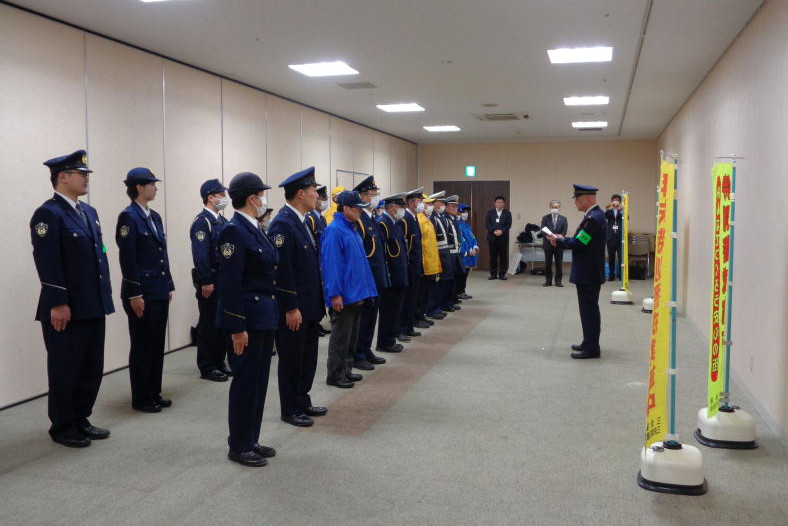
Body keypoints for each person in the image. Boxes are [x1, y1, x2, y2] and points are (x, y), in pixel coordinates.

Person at [30, 149, 114, 448]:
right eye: (81, 174)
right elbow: (47, 261)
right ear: (62, 177)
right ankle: (63, 425)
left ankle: (81, 418)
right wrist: (58, 303)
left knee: (91, 367)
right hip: (66, 308)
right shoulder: (48, 214)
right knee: (66, 368)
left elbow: (98, 257)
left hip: (92, 304)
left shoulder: (88, 213)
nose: (86, 178)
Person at [216, 171, 278, 467]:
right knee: (245, 383)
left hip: (263, 317)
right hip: (247, 322)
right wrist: (237, 327)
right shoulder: (234, 231)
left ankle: (251, 438)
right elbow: (229, 284)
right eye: (262, 194)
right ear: (252, 198)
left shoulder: (254, 227)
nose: (264, 199)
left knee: (258, 382)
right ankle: (238, 445)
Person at [268, 167, 327, 427]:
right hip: (295, 308)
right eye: (314, 191)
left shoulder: (302, 221)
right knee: (292, 359)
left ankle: (302, 400)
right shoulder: (282, 223)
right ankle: (290, 408)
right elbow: (282, 270)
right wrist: (290, 307)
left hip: (310, 305)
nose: (317, 195)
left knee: (308, 357)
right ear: (300, 193)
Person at [116, 167, 174, 413]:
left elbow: (162, 254)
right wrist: (134, 294)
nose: (155, 187)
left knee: (156, 344)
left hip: (158, 289)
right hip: (142, 291)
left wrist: (168, 284)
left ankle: (154, 391)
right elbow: (127, 258)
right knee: (142, 345)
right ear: (139, 187)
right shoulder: (128, 217)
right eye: (151, 184)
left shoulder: (155, 216)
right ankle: (141, 396)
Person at [322, 191, 377, 388]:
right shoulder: (335, 230)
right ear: (345, 208)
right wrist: (334, 294)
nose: (361, 212)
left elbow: (360, 262)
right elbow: (332, 265)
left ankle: (346, 369)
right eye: (357, 208)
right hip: (344, 295)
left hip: (357, 293)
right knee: (341, 337)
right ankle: (335, 375)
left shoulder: (352, 228)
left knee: (352, 336)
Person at [548, 184, 606, 359]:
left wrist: (559, 241)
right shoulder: (594, 216)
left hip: (588, 272)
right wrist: (563, 239)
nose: (575, 203)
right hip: (590, 271)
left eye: (577, 199)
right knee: (588, 309)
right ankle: (588, 342)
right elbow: (581, 240)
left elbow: (580, 243)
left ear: (587, 199)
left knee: (589, 311)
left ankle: (592, 348)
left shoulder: (593, 218)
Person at [190, 178, 232, 382]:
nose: (225, 198)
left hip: (223, 279)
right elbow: (201, 255)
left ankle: (219, 361)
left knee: (222, 324)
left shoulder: (222, 221)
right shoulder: (202, 222)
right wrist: (206, 280)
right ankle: (207, 366)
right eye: (221, 195)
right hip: (211, 280)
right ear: (211, 197)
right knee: (209, 324)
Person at [352, 176, 389, 370]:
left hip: (376, 277)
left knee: (371, 316)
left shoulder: (371, 216)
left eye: (376, 194)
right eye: (372, 194)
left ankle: (366, 349)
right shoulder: (360, 219)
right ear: (363, 196)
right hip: (367, 278)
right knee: (364, 317)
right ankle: (358, 353)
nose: (375, 198)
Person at [375, 192, 409, 352]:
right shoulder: (383, 224)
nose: (402, 210)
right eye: (400, 207)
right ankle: (385, 341)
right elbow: (385, 254)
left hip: (400, 274)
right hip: (391, 276)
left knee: (396, 309)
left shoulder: (395, 223)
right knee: (389, 310)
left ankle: (391, 337)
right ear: (391, 208)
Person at [396, 187, 425, 340]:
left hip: (415, 265)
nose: (421, 204)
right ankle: (401, 329)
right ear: (412, 203)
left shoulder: (414, 218)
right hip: (408, 266)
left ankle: (408, 326)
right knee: (406, 300)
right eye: (420, 201)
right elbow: (405, 245)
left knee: (412, 298)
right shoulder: (405, 219)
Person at [416, 194, 442, 325]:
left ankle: (422, 316)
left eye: (432, 204)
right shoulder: (420, 220)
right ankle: (419, 317)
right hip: (424, 263)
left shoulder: (427, 220)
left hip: (431, 262)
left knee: (426, 292)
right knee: (421, 293)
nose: (430, 207)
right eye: (428, 204)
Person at [426, 191, 451, 320]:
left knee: (441, 283)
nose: (442, 205)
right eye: (440, 202)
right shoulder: (432, 218)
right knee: (435, 284)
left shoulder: (439, 217)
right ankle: (432, 308)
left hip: (442, 253)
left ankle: (437, 307)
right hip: (437, 254)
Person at [443, 196, 464, 311]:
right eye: (452, 206)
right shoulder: (445, 218)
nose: (455, 208)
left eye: (456, 206)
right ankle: (446, 303)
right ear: (446, 207)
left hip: (456, 253)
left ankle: (451, 301)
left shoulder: (454, 218)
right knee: (448, 280)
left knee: (455, 279)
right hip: (449, 253)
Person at [540, 199, 568, 287]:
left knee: (559, 263)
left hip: (559, 244)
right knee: (548, 263)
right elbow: (543, 230)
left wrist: (557, 238)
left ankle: (558, 281)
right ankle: (548, 281)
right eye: (553, 207)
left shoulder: (564, 219)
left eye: (556, 207)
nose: (554, 209)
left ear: (559, 207)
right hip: (548, 244)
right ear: (550, 207)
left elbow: (564, 231)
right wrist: (549, 237)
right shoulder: (545, 218)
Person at [485, 196, 512, 280]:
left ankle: (502, 274)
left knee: (503, 257)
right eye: (498, 202)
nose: (499, 203)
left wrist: (501, 231)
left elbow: (508, 224)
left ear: (504, 203)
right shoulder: (490, 213)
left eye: (501, 202)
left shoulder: (507, 213)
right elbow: (487, 224)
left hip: (503, 238)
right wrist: (494, 231)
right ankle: (493, 274)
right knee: (493, 257)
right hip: (492, 238)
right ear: (495, 203)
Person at [456, 204, 478, 299]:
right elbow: (461, 240)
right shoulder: (458, 225)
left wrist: (475, 247)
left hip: (470, 254)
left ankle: (462, 291)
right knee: (461, 275)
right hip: (464, 255)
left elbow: (473, 238)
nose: (466, 214)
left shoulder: (467, 225)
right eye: (463, 212)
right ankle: (459, 292)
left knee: (465, 275)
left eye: (467, 212)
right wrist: (468, 251)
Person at [605, 194, 623, 281]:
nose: (616, 201)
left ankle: (621, 275)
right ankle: (611, 275)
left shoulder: (622, 211)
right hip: (610, 237)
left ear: (620, 201)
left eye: (617, 200)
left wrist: (621, 210)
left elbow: (626, 218)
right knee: (611, 257)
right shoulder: (609, 211)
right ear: (612, 201)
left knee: (620, 257)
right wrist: (607, 208)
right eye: (614, 200)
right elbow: (604, 216)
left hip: (620, 238)